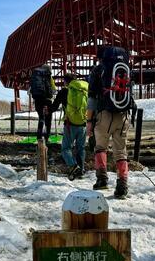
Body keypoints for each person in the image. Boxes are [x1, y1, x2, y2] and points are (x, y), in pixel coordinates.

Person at [87, 46, 134, 199]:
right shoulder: (125, 68)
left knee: (100, 147)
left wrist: (89, 121)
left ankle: (102, 179)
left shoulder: (97, 70)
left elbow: (92, 98)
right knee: (121, 151)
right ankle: (122, 185)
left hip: (104, 115)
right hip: (123, 114)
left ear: (99, 58)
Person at [51, 72, 88, 179]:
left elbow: (54, 106)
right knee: (81, 148)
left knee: (65, 148)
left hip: (70, 124)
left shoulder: (64, 91)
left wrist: (47, 110)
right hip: (83, 124)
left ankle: (73, 166)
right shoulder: (84, 91)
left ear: (66, 82)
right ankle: (81, 170)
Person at [30, 63, 56, 143]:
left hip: (38, 100)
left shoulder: (35, 76)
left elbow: (31, 89)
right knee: (48, 119)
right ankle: (47, 137)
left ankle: (39, 137)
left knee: (41, 118)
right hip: (47, 100)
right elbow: (54, 89)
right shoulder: (49, 77)